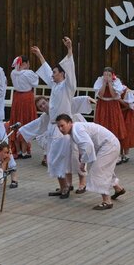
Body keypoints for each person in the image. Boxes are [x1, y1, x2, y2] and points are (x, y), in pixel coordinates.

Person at [23, 37, 85, 198]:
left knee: (60, 158)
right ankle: (63, 186)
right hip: (53, 127)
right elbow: (46, 69)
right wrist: (39, 55)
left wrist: (70, 49)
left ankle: (66, 187)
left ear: (62, 75)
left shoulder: (67, 87)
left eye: (55, 72)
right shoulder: (56, 86)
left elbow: (71, 71)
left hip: (62, 128)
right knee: (53, 158)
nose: (52, 74)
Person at [56, 114, 125, 210]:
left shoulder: (77, 130)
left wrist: (83, 162)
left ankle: (107, 201)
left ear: (70, 123)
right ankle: (118, 189)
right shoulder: (75, 129)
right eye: (58, 126)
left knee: (98, 171)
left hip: (109, 145)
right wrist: (81, 155)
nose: (60, 129)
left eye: (62, 125)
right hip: (107, 145)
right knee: (104, 169)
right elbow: (83, 144)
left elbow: (88, 145)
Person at [9, 55, 39, 158]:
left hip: (17, 97)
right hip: (27, 98)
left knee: (16, 121)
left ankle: (18, 151)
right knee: (25, 121)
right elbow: (35, 83)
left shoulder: (13, 73)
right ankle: (25, 151)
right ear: (25, 63)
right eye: (28, 63)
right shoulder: (28, 73)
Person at [92, 67, 126, 146]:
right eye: (105, 75)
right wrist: (104, 83)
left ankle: (115, 147)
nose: (107, 77)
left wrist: (110, 83)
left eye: (109, 75)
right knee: (102, 124)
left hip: (112, 105)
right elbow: (100, 94)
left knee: (113, 123)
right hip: (102, 105)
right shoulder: (99, 81)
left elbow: (114, 95)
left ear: (112, 75)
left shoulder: (116, 82)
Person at [118, 83, 134, 164]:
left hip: (128, 114)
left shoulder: (127, 91)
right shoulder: (113, 90)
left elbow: (129, 106)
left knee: (126, 132)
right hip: (120, 113)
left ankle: (126, 154)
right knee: (119, 132)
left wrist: (119, 99)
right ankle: (119, 154)